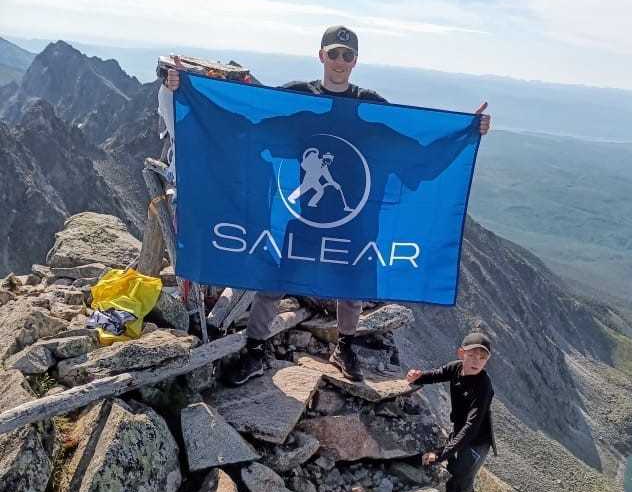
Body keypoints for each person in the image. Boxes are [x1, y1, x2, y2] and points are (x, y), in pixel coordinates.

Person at [165, 25, 491, 385]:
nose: (339, 61)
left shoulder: (369, 105)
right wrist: (190, 90)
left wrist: (467, 130)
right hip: (304, 216)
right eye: (333, 53)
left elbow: (408, 147)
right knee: (274, 279)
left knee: (351, 284)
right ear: (321, 56)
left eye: (346, 55)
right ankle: (255, 348)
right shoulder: (300, 100)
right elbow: (252, 121)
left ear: (355, 61)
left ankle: (345, 345)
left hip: (356, 218)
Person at [405, 331, 496, 492]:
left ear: (486, 362)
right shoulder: (456, 368)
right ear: (461, 353)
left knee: (458, 490)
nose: (476, 361)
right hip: (461, 433)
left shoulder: (483, 386)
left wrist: (440, 454)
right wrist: (418, 377)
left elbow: (471, 427)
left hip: (476, 444)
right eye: (472, 355)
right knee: (452, 478)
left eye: (482, 358)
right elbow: (437, 374)